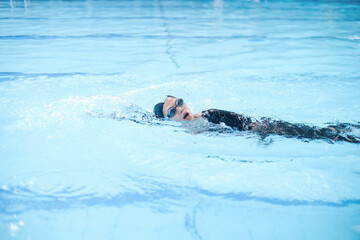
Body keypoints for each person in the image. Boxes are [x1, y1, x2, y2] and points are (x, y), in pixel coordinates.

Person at [153, 95, 360, 143]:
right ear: (167, 121)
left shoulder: (210, 114)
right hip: (263, 132)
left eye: (179, 102)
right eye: (171, 112)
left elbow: (245, 121)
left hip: (266, 129)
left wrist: (262, 133)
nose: (179, 109)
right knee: (319, 135)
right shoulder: (190, 131)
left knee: (321, 135)